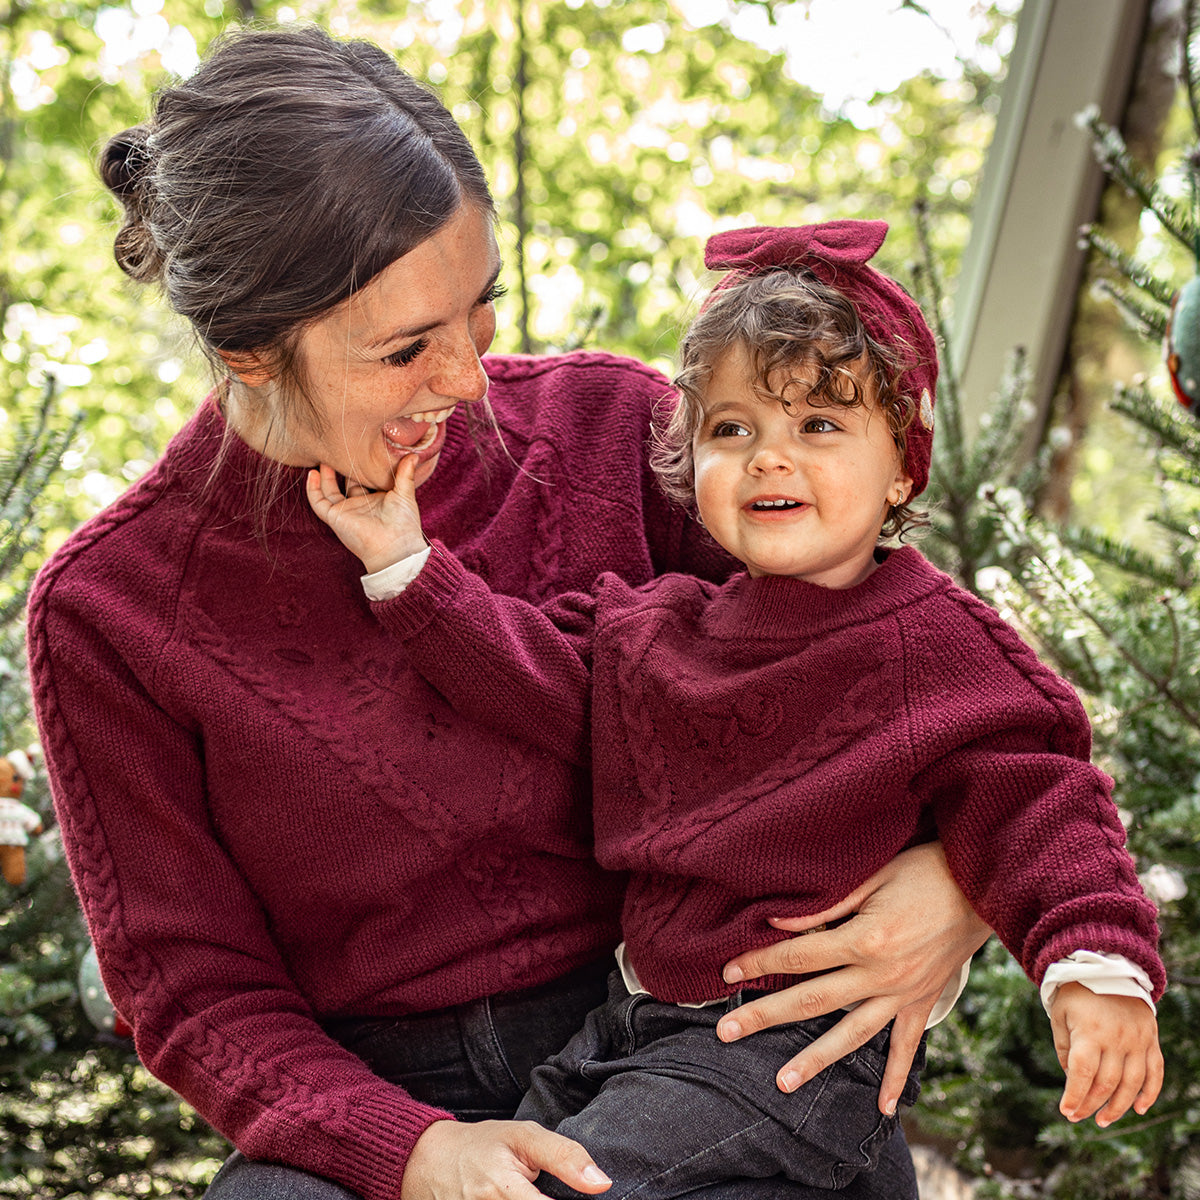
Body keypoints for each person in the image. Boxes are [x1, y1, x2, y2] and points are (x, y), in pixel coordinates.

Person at [27, 26, 991, 1200]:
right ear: (248, 352)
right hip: (373, 1099)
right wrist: (418, 1150)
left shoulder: (616, 431)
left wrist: (959, 883)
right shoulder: (110, 612)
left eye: (479, 308)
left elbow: (914, 668)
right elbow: (191, 989)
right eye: (404, 349)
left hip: (688, 1026)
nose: (470, 380)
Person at [307, 219, 1165, 1198]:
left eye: (821, 426)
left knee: (558, 1190)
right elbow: (532, 674)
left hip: (795, 1045)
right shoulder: (658, 628)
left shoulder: (929, 639)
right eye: (733, 428)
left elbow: (1042, 798)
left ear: (900, 467)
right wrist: (404, 563)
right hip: (633, 1020)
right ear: (689, 462)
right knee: (502, 1159)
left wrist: (1094, 965)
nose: (769, 457)